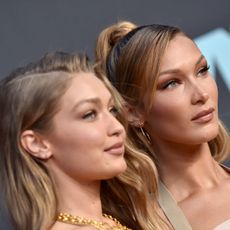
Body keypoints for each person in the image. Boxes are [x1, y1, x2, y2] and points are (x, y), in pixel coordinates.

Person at [0, 51, 168, 230]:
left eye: (112, 110)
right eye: (89, 114)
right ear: (37, 144)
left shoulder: (114, 220)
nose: (117, 127)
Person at [95, 21, 230, 230]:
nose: (201, 94)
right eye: (171, 83)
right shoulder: (145, 224)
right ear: (133, 113)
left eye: (202, 70)